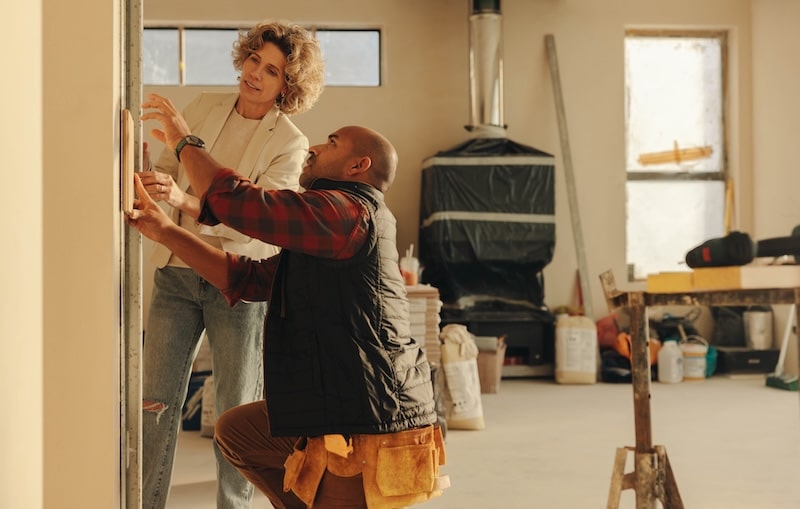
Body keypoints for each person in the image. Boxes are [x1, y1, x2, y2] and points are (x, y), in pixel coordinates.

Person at [129, 94, 448, 508]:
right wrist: (165, 232)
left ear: (358, 166)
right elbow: (246, 277)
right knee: (238, 431)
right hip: (337, 405)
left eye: (331, 143)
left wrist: (185, 141)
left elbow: (244, 204)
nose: (314, 147)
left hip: (371, 422)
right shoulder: (328, 224)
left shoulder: (349, 212)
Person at [138, 21, 324, 509]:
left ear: (289, 85)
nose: (255, 74)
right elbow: (168, 170)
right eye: (253, 59)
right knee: (154, 404)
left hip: (239, 284)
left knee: (236, 416)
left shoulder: (291, 142)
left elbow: (257, 224)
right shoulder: (203, 106)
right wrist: (154, 182)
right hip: (176, 273)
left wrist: (181, 197)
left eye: (272, 70)